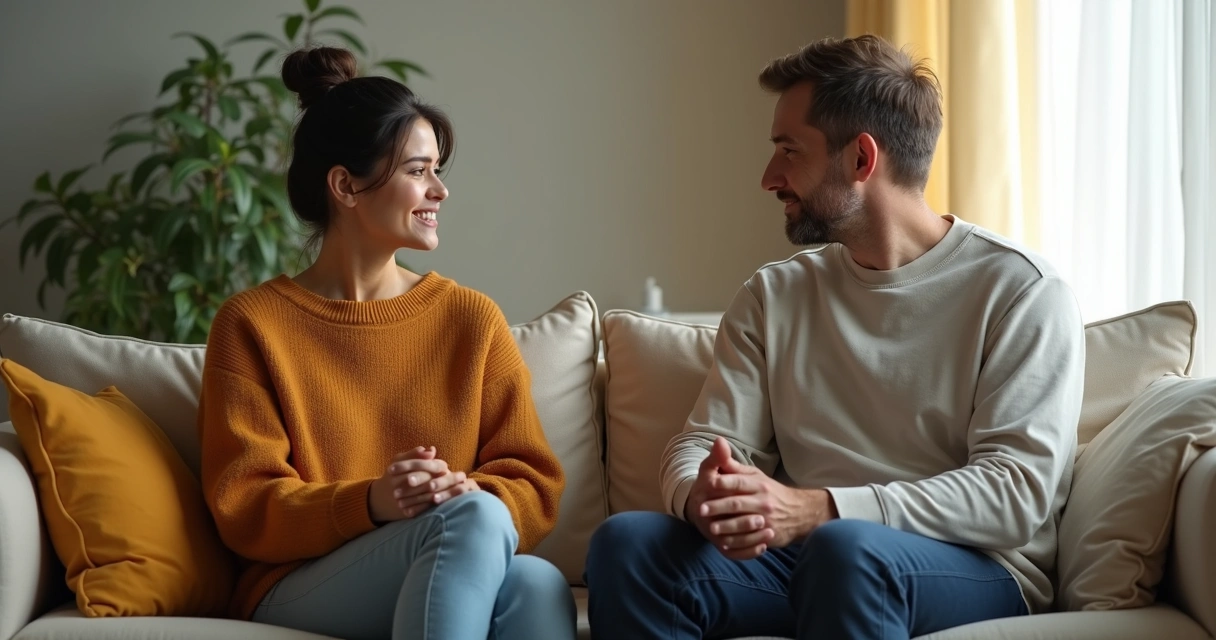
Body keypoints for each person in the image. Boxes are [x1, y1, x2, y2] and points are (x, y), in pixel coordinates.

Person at [585, 34, 1085, 640]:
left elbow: (1014, 492)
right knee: (629, 546)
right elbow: (704, 442)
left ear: (860, 160)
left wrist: (822, 509)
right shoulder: (776, 295)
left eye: (788, 151)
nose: (769, 177)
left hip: (975, 566)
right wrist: (703, 497)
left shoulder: (1020, 290)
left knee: (847, 551)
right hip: (809, 554)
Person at [197, 46, 574, 640]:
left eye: (437, 171)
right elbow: (244, 506)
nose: (439, 192)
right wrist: (372, 501)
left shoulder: (470, 318)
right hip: (299, 583)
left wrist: (463, 489)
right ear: (345, 185)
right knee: (473, 522)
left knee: (538, 583)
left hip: (451, 552)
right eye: (418, 171)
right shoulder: (252, 324)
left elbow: (533, 480)